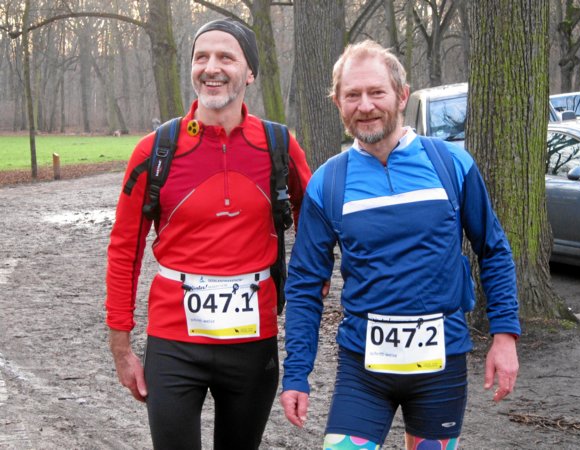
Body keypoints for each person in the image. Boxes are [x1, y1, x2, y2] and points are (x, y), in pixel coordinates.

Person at [280, 40, 520, 450]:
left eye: (377, 92)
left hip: (441, 365)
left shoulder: (451, 164)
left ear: (402, 95)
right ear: (338, 103)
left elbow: (493, 250)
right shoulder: (328, 183)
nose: (365, 106)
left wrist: (505, 335)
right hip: (363, 369)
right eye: (352, 95)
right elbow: (304, 285)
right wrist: (297, 373)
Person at [105, 18, 311, 450]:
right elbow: (125, 250)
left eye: (226, 57)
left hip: (252, 341)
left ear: (249, 72)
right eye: (201, 57)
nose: (211, 67)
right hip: (174, 343)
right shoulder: (156, 151)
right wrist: (121, 346)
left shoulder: (278, 146)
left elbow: (313, 223)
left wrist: (312, 283)